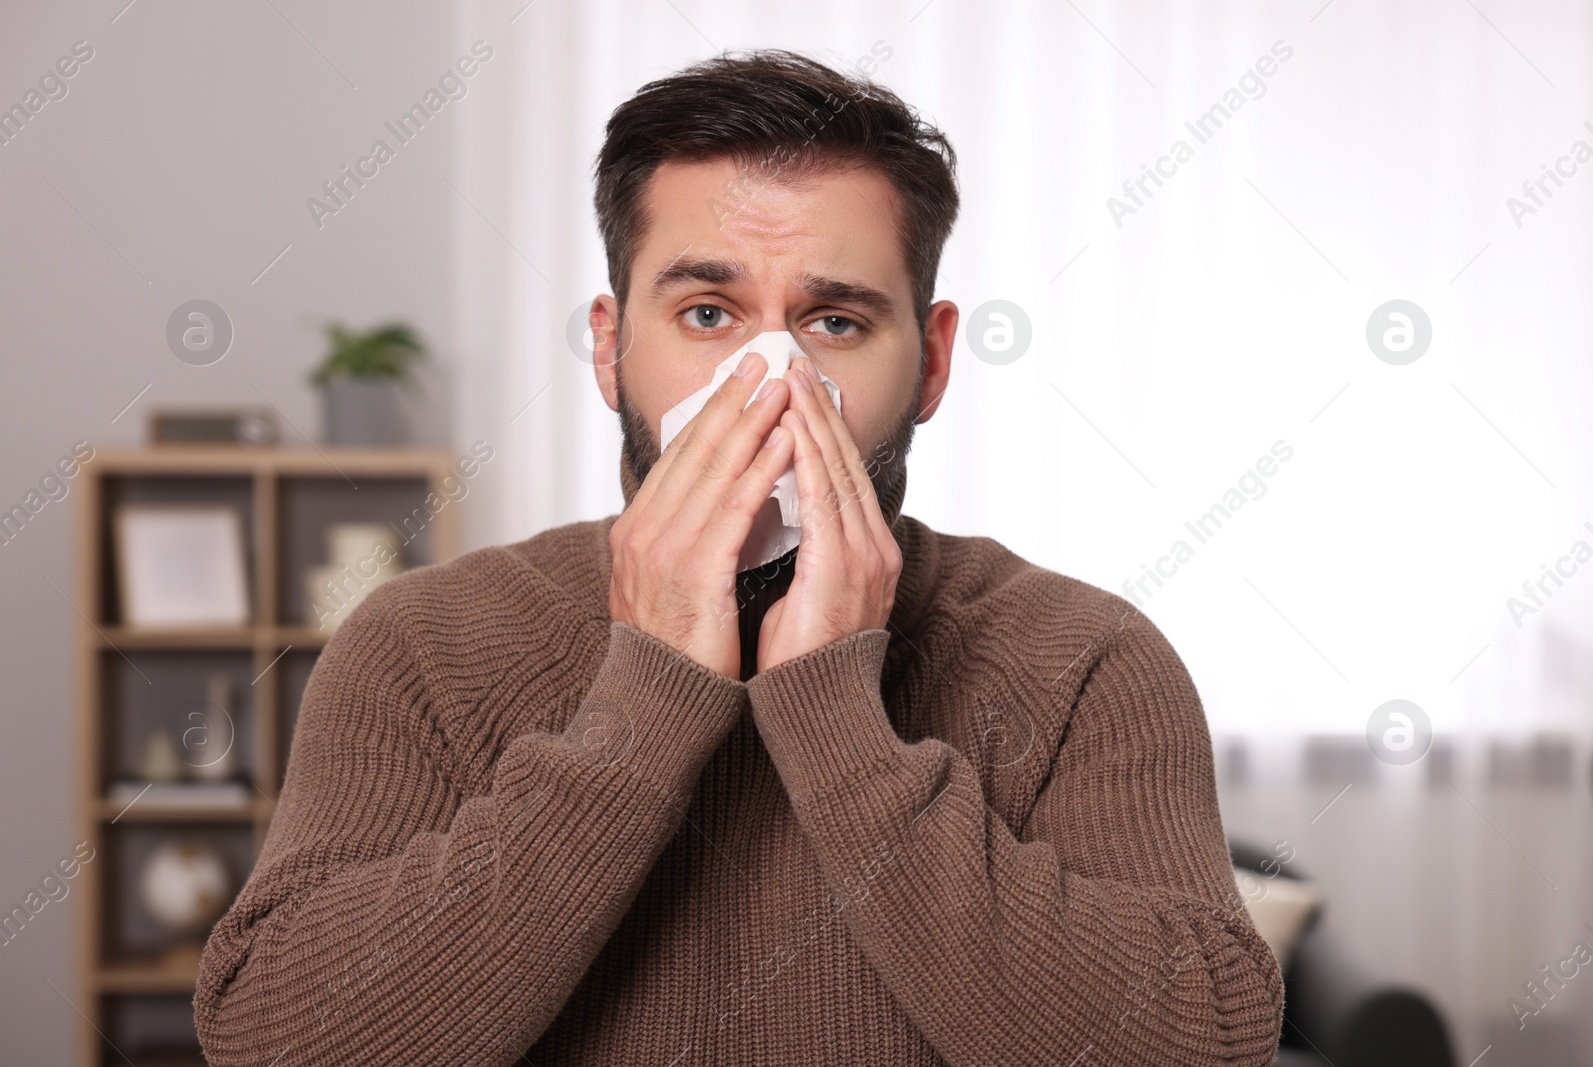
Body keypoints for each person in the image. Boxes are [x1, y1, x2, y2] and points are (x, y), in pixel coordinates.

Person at [194, 49, 1284, 1066]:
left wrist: (835, 713)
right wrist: (649, 692)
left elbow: (1201, 1042)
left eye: (836, 323)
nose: (769, 383)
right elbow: (273, 1038)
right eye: (708, 312)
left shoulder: (1083, 657)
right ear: (613, 348)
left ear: (935, 361)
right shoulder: (425, 642)